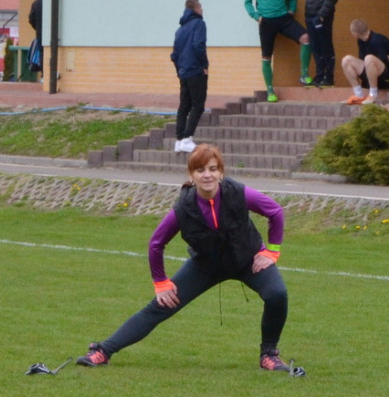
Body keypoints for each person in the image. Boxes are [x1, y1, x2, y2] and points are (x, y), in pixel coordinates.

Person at [76, 144, 295, 373]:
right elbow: (156, 244)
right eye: (200, 170)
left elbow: (275, 212)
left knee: (277, 294)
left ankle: (269, 354)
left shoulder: (238, 192)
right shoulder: (183, 207)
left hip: (248, 261)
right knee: (160, 306)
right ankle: (102, 351)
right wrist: (161, 283)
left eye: (212, 168)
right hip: (206, 267)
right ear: (192, 175)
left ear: (221, 172)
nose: (207, 175)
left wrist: (272, 251)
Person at [244, 0, 312, 102]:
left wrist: (292, 10)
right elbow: (247, 2)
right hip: (266, 21)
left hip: (284, 18)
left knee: (306, 38)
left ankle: (304, 74)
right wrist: (256, 16)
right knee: (266, 57)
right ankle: (270, 91)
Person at [171, 0, 208, 153]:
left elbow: (174, 55)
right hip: (195, 71)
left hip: (184, 72)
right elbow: (198, 45)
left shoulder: (180, 30)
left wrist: (179, 71)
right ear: (196, 9)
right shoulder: (199, 24)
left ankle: (179, 140)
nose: (202, 10)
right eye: (201, 7)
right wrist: (204, 65)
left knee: (184, 105)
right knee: (198, 105)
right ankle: (188, 138)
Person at [341, 19, 389, 105]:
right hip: (370, 72)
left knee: (369, 58)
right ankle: (359, 95)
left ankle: (373, 94)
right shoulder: (361, 40)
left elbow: (385, 60)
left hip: (385, 75)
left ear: (356, 34)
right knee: (346, 60)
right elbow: (362, 60)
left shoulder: (378, 40)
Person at [305, 0, 337, 87]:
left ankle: (329, 77)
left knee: (325, 45)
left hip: (322, 15)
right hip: (309, 14)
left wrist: (322, 15)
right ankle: (319, 75)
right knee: (315, 46)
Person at [28, 0, 43, 80]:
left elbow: (31, 19)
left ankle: (44, 75)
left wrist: (38, 28)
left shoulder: (36, 4)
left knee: (42, 54)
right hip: (55, 35)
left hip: (40, 35)